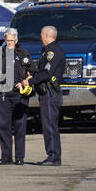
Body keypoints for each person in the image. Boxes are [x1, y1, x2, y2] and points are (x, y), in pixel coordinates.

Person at [21, 25, 65, 166]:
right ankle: (52, 155)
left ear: (46, 35)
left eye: (41, 34)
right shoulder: (46, 51)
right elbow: (41, 71)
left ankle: (53, 157)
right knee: (47, 125)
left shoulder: (53, 52)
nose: (40, 37)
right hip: (45, 93)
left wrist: (30, 82)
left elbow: (47, 73)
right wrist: (32, 75)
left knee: (50, 126)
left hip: (50, 93)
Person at [0, 28, 36, 165]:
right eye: (7, 41)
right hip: (3, 94)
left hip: (20, 95)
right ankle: (6, 156)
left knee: (20, 126)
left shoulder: (24, 54)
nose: (9, 43)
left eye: (11, 41)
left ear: (16, 40)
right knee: (4, 126)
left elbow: (32, 72)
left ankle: (20, 157)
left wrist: (25, 81)